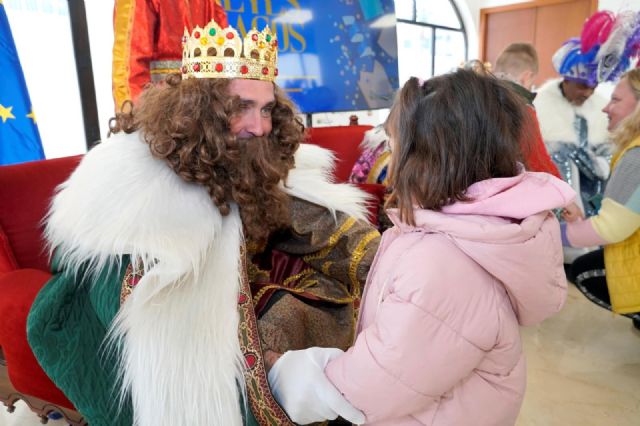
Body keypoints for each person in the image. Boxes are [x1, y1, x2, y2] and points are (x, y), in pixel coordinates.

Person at [27, 20, 378, 426]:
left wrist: (398, 267)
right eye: (241, 107)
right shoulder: (134, 180)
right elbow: (130, 297)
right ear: (200, 111)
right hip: (127, 312)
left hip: (236, 300)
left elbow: (314, 222)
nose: (260, 126)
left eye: (266, 109)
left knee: (310, 304)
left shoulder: (250, 158)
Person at [268, 70, 574, 425]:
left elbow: (373, 383)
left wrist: (286, 373)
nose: (390, 162)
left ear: (428, 160)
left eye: (394, 147)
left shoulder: (443, 264)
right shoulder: (469, 232)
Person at [562, 68, 640, 327]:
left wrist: (554, 233)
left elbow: (611, 228)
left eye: (616, 100)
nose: (606, 108)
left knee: (584, 271)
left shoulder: (636, 158)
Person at [112, 0, 228, 111]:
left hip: (201, 112)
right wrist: (134, 118)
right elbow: (129, 67)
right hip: (160, 114)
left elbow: (222, 55)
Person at [494, 42, 562, 178]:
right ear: (526, 77)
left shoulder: (476, 100)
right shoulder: (522, 107)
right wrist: (560, 185)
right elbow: (536, 159)